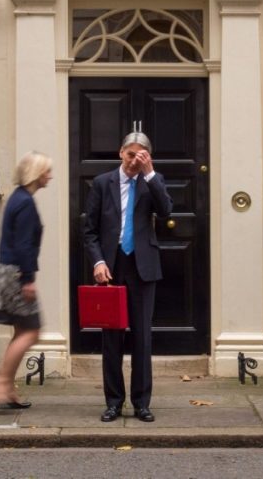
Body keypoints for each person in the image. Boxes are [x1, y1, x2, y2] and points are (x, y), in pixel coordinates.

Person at [83, 132, 172, 423]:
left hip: (143, 266)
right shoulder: (102, 183)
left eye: (141, 155)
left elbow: (166, 210)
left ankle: (142, 403)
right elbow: (89, 230)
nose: (135, 160)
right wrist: (97, 261)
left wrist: (150, 174)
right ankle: (113, 402)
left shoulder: (150, 182)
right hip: (111, 266)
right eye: (131, 154)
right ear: (121, 152)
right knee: (112, 339)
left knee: (143, 339)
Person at [0, 151, 53, 409]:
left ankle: (8, 390)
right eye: (47, 171)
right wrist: (28, 279)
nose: (50, 176)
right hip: (16, 273)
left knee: (20, 331)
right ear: (37, 173)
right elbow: (25, 245)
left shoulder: (18, 198)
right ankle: (0, 381)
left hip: (7, 271)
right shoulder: (25, 202)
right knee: (32, 331)